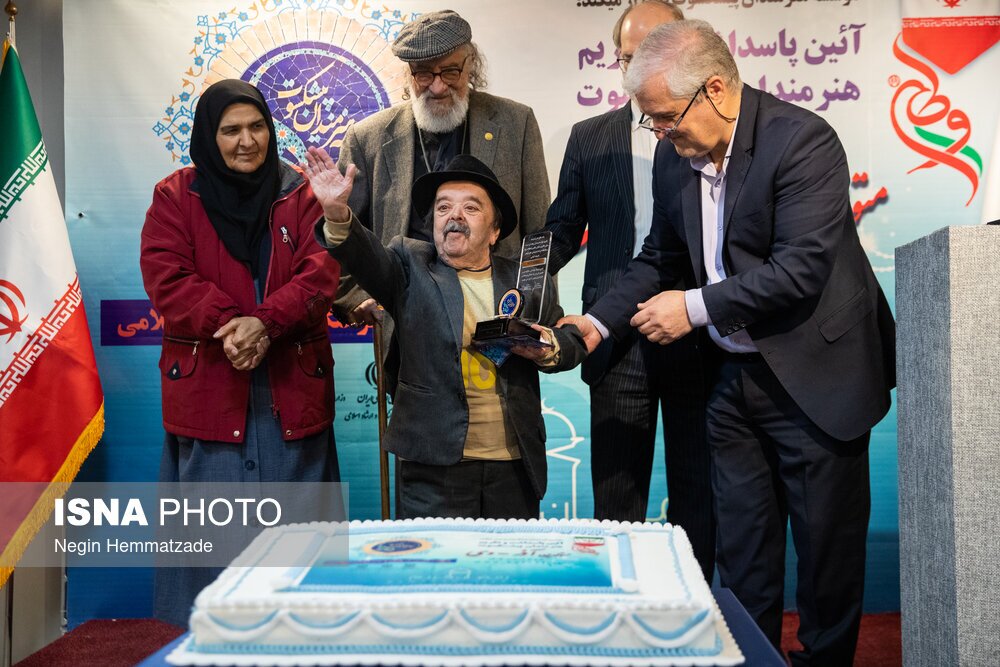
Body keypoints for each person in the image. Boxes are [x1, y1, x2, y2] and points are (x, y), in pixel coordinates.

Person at [561, 20, 896, 666]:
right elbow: (660, 257)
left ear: (715, 89)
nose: (659, 133)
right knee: (741, 557)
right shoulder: (674, 157)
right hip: (733, 382)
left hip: (816, 377)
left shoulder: (801, 141)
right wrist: (597, 324)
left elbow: (799, 269)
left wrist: (692, 308)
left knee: (826, 564)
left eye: (665, 117)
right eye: (650, 122)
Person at [139, 79, 342, 626]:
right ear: (209, 136)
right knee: (208, 557)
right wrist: (232, 326)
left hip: (289, 396)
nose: (246, 141)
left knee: (300, 557)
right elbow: (166, 277)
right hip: (212, 392)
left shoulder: (301, 194)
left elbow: (321, 273)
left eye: (257, 127)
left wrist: (265, 324)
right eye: (230, 130)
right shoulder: (175, 197)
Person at [306, 148, 586, 519]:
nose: (454, 215)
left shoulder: (525, 279)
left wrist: (545, 347)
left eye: (471, 207)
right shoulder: (409, 265)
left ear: (495, 231)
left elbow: (567, 341)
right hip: (433, 467)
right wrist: (338, 214)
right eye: (443, 207)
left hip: (514, 467)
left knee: (510, 558)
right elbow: (365, 257)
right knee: (433, 559)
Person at [544, 0, 714, 580]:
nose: (635, 68)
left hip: (698, 331)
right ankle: (618, 606)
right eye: (626, 57)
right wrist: (514, 283)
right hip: (613, 339)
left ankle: (696, 607)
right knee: (617, 501)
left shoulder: (708, 134)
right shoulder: (590, 137)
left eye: (650, 53)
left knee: (700, 495)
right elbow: (562, 228)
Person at [332, 9, 549, 328]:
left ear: (470, 65)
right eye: (424, 74)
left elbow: (539, 234)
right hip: (406, 317)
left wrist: (535, 310)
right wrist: (356, 297)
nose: (437, 87)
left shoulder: (517, 123)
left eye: (450, 72)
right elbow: (345, 232)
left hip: (500, 313)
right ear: (409, 74)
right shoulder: (367, 138)